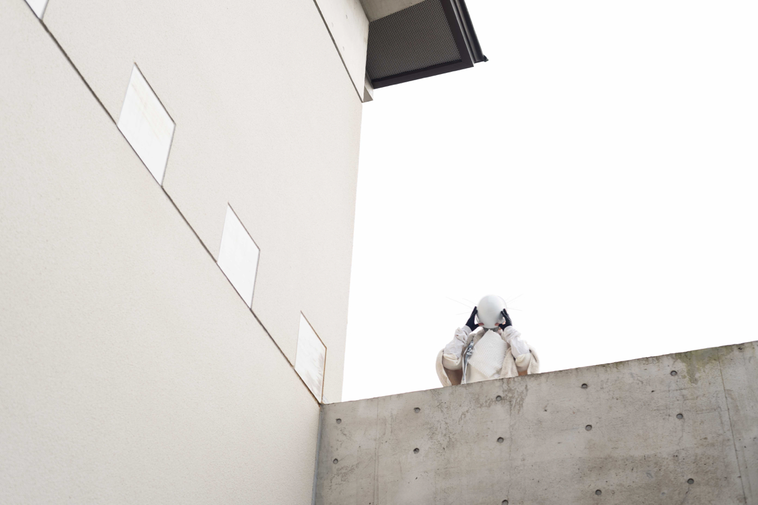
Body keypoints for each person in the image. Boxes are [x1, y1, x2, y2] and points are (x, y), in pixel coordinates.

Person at [436, 294, 539, 386]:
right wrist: (466, 330)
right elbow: (449, 359)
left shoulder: (511, 343)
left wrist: (509, 330)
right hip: (473, 396)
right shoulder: (471, 342)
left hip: (503, 395)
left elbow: (524, 360)